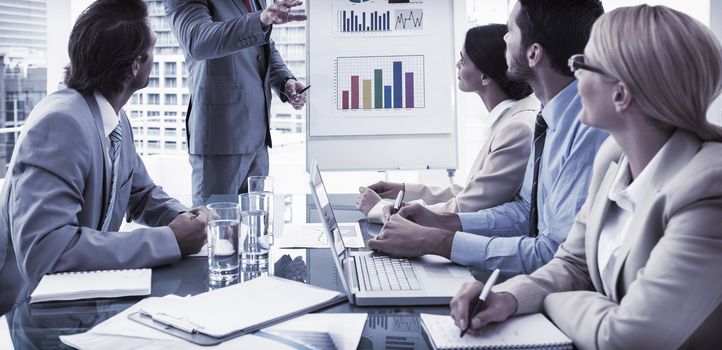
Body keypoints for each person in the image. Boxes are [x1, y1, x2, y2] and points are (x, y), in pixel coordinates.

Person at [450, 5, 722, 348]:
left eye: (583, 64)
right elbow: (572, 264)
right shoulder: (613, 160)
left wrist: (550, 300)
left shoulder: (708, 188)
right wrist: (508, 297)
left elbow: (627, 336)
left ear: (621, 94)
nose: (573, 74)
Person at [368, 0, 609, 280]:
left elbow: (553, 253)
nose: (504, 39)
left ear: (533, 54)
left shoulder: (588, 128)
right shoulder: (550, 117)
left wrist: (436, 241)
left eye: (510, 31)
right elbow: (526, 213)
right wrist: (443, 222)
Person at [0, 0, 207, 314]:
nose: (156, 56)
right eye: (152, 48)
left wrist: (191, 222)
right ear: (135, 65)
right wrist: (170, 240)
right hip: (35, 312)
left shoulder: (113, 118)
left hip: (86, 302)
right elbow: (44, 252)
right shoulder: (61, 124)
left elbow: (141, 193)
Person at [357, 24, 539, 224]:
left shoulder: (517, 128)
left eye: (463, 60)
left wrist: (380, 208)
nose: (457, 65)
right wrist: (403, 190)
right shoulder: (509, 117)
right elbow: (474, 191)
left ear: (485, 76)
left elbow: (468, 206)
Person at [164, 0, 309, 206]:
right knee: (215, 231)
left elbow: (263, 45)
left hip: (258, 139)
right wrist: (261, 19)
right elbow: (198, 40)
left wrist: (285, 81)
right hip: (221, 139)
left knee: (256, 231)